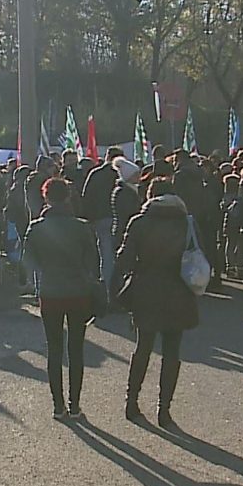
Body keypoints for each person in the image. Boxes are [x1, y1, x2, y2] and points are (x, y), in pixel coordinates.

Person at [115, 177, 199, 428]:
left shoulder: (139, 222)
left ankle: (132, 401)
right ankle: (164, 409)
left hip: (146, 289)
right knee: (172, 352)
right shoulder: (186, 223)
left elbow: (124, 261)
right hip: (178, 290)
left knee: (143, 347)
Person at [23, 178, 99, 419]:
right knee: (76, 348)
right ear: (68, 196)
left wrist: (43, 273)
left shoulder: (36, 227)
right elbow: (93, 261)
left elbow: (27, 261)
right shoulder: (82, 226)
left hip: (50, 291)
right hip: (78, 291)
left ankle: (58, 406)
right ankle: (75, 404)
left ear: (46, 197)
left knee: (54, 349)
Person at [82, 147, 123, 291]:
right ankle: (120, 289)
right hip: (122, 218)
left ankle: (107, 291)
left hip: (100, 218)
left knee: (106, 257)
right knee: (122, 254)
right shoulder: (123, 174)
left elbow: (87, 197)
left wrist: (89, 218)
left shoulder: (96, 173)